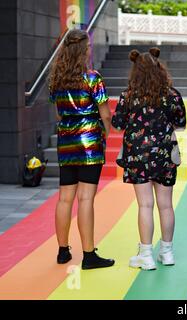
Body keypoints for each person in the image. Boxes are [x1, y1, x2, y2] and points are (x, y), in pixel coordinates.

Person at [111, 48, 186, 270]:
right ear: (159, 69)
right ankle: (167, 252)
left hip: (137, 154)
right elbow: (180, 123)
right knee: (166, 205)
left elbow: (117, 124)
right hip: (164, 153)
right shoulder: (171, 94)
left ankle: (146, 255)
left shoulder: (128, 95)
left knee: (145, 204)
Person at [48, 29, 115, 270]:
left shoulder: (57, 79)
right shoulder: (92, 78)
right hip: (89, 144)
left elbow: (59, 113)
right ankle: (89, 255)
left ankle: (63, 251)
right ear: (82, 50)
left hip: (66, 144)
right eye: (87, 47)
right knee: (86, 198)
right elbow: (105, 114)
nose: (89, 50)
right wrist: (106, 134)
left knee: (65, 197)